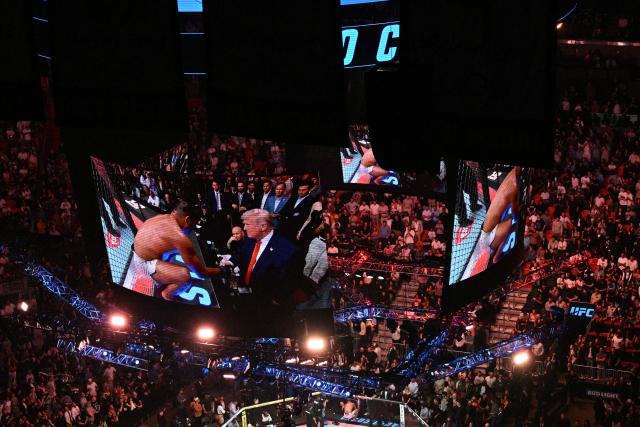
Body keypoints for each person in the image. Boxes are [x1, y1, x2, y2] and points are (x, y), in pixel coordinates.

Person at [128, 199, 221, 300]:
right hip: (143, 263)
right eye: (193, 224)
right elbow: (202, 274)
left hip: (139, 250)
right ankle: (167, 295)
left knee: (178, 252)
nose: (192, 228)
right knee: (185, 277)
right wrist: (221, 270)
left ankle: (164, 275)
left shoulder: (161, 217)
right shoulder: (179, 238)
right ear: (187, 220)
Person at [220, 209, 303, 306]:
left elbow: (290, 281)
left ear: (263, 226)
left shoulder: (287, 250)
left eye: (247, 224)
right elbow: (240, 254)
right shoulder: (250, 239)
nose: (245, 228)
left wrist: (276, 300)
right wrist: (230, 262)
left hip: (265, 302)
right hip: (245, 292)